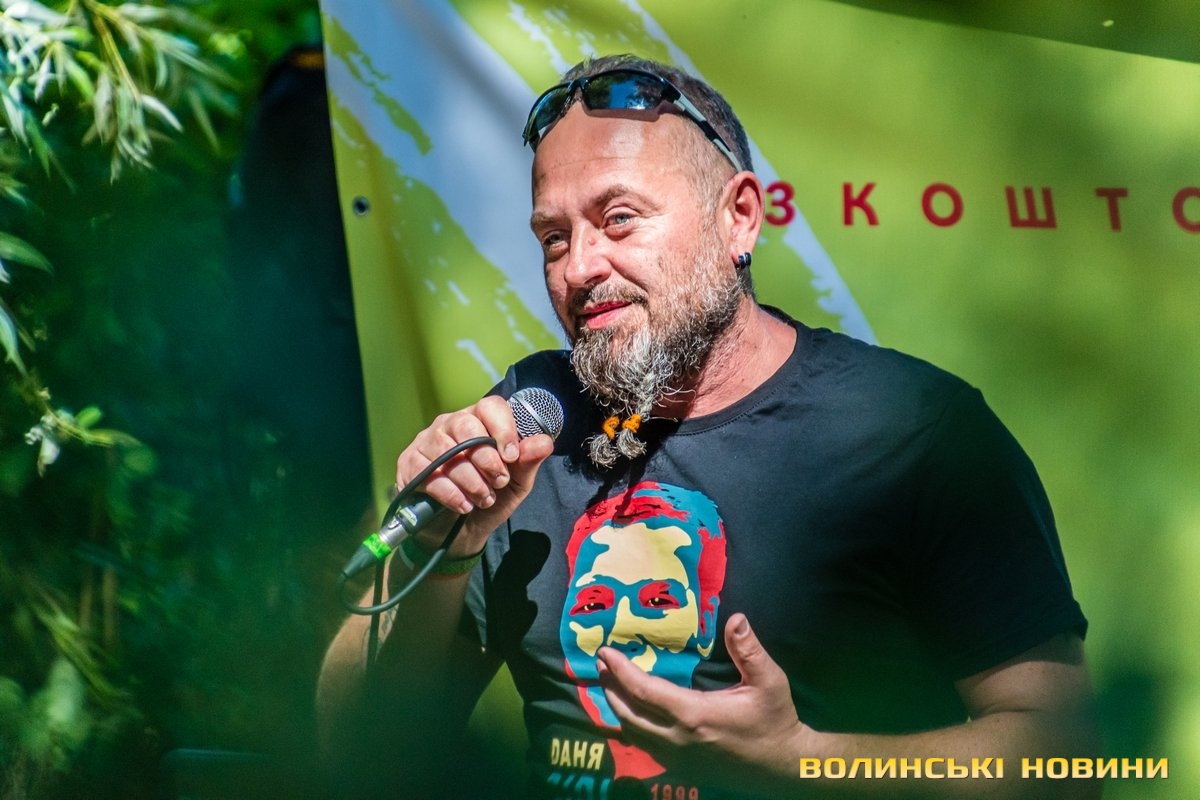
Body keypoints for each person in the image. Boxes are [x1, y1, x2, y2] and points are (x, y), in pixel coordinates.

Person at [316, 54, 1099, 799]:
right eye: (554, 238)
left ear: (740, 219)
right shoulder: (532, 416)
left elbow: (1065, 757)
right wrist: (439, 549)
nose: (578, 267)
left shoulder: (912, 431)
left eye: (619, 219)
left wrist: (802, 762)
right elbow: (359, 754)